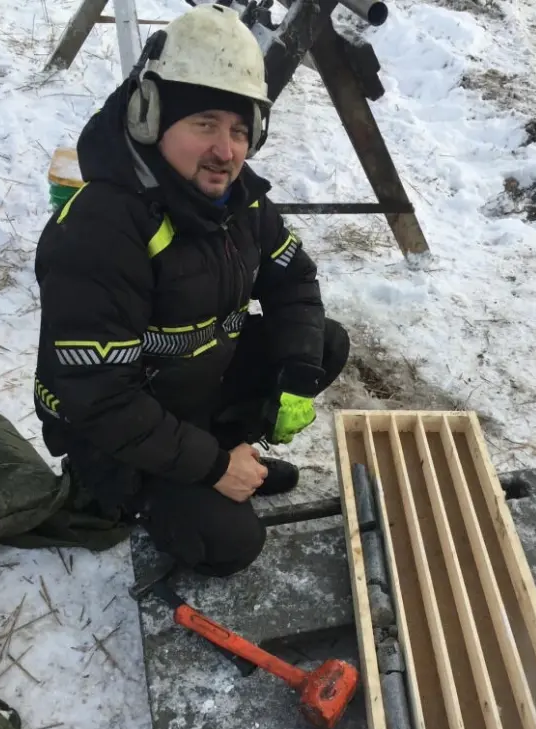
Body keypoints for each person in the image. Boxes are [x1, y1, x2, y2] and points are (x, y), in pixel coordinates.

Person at [33, 4, 349, 576]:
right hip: (109, 433)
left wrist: (297, 377)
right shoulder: (102, 228)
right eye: (205, 123)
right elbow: (100, 398)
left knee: (322, 342)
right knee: (228, 547)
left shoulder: (239, 199)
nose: (225, 151)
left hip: (188, 392)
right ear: (150, 118)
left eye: (238, 129)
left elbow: (294, 281)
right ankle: (148, 492)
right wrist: (209, 468)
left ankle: (226, 448)